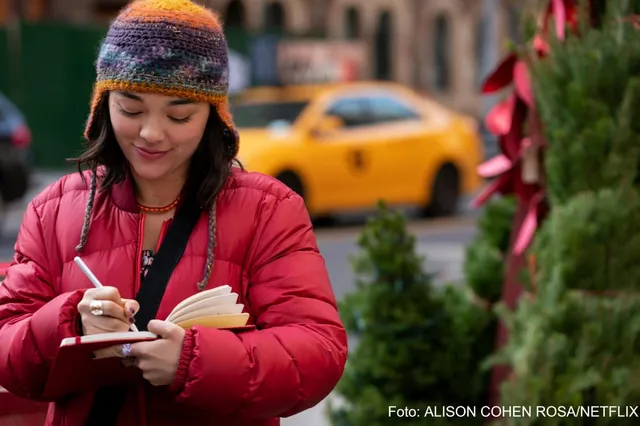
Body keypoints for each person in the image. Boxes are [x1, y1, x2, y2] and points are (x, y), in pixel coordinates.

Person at [0, 1, 348, 425]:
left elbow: (317, 352)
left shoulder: (268, 210)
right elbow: (7, 347)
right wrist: (69, 323)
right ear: (103, 104)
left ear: (213, 115)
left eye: (179, 114)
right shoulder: (54, 210)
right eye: (130, 109)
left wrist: (194, 362)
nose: (151, 133)